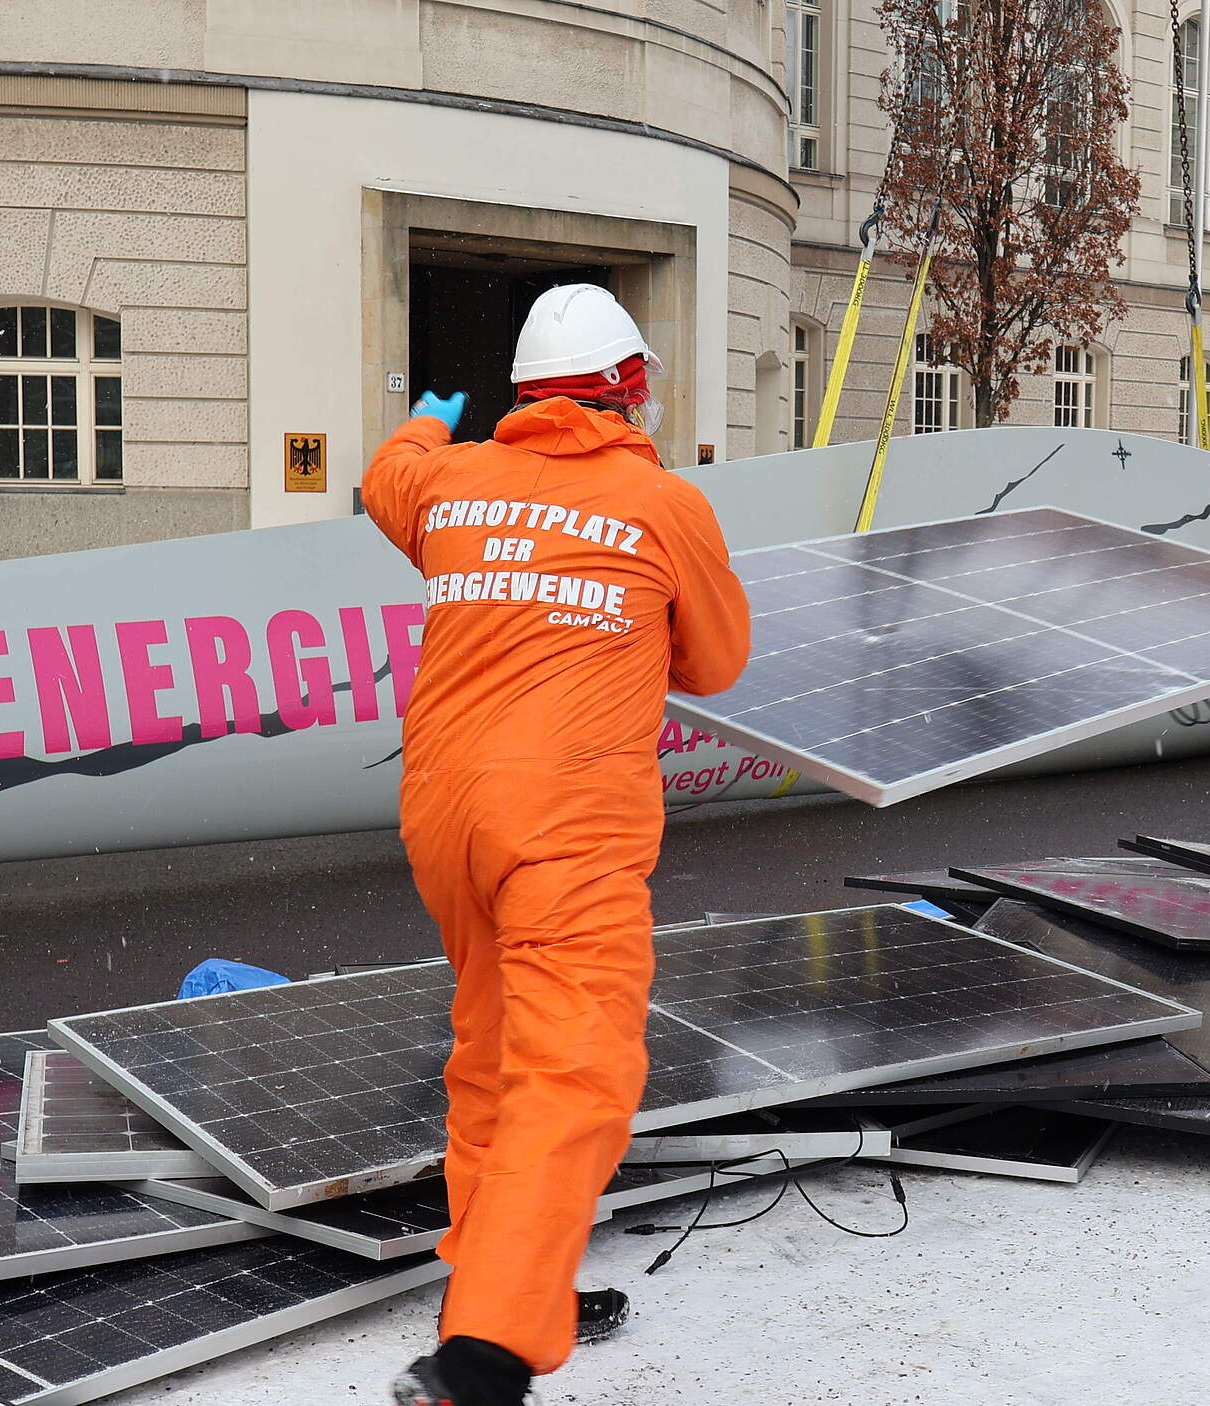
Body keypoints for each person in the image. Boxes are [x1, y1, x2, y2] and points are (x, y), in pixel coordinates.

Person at [361, 284, 752, 1406]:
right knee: (575, 1067)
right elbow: (716, 663)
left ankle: (491, 1290)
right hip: (566, 819)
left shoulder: (451, 481)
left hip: (445, 813)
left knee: (491, 1059)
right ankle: (483, 1357)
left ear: (526, 392)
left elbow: (386, 474)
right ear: (627, 387)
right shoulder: (661, 502)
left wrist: (427, 417)